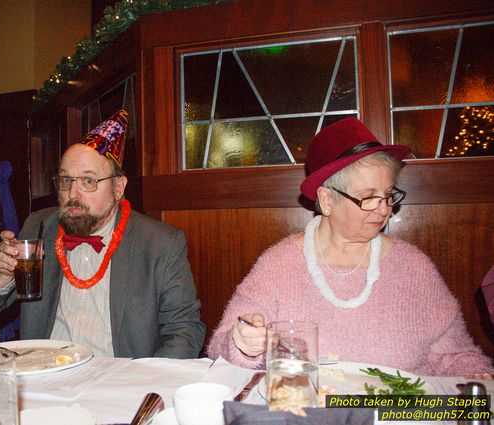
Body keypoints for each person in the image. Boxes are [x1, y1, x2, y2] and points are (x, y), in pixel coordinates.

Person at [208, 117, 493, 377]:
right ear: (328, 199)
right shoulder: (280, 264)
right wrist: (243, 342)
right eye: (368, 197)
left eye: (388, 195)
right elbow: (221, 348)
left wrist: (480, 377)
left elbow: (455, 355)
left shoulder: (413, 266)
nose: (383, 210)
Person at [0, 110, 206, 358]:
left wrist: (143, 386)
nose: (73, 194)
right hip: (44, 375)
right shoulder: (39, 226)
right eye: (65, 181)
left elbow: (185, 332)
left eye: (88, 181)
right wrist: (2, 274)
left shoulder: (160, 243)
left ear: (118, 187)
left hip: (118, 382)